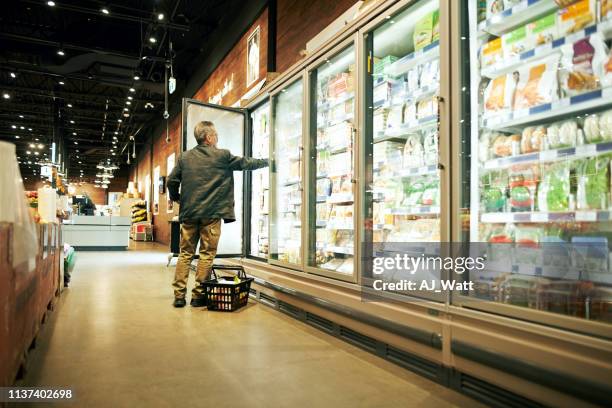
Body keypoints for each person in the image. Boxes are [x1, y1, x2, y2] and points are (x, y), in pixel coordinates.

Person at [167, 120, 268, 308]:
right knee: (206, 254)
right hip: (211, 215)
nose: (217, 138)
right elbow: (246, 163)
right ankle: (198, 296)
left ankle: (179, 296)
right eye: (216, 135)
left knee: (185, 254)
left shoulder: (184, 158)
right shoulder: (222, 156)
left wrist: (178, 197)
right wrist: (267, 162)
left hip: (189, 214)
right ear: (209, 137)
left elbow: (171, 181)